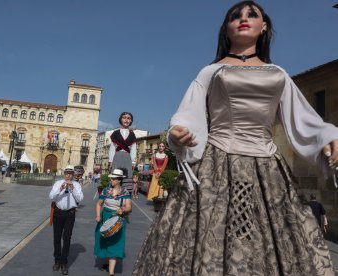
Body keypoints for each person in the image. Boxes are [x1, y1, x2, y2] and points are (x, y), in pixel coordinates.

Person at [133, 2, 337, 275]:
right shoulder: (210, 70)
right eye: (235, 16)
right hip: (215, 164)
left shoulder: (278, 74)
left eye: (252, 14)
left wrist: (327, 137)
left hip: (268, 168)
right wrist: (178, 133)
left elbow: (304, 118)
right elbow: (187, 113)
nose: (243, 18)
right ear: (226, 29)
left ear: (263, 27)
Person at [94, 169, 132, 276]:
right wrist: (97, 215)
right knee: (105, 241)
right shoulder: (105, 191)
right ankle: (107, 262)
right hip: (105, 217)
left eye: (114, 178)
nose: (111, 180)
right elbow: (98, 204)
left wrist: (123, 209)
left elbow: (129, 206)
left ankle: (111, 272)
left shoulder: (125, 192)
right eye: (111, 178)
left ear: (119, 180)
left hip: (118, 219)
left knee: (116, 243)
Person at [49, 165, 84, 275]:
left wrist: (72, 188)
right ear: (64, 174)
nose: (68, 175)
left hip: (70, 214)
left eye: (70, 173)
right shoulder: (58, 183)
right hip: (58, 213)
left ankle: (64, 262)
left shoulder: (77, 185)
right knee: (57, 238)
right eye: (66, 173)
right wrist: (60, 189)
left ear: (73, 174)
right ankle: (57, 261)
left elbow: (80, 199)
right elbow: (51, 197)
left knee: (67, 238)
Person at [109, 112, 137, 195]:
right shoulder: (115, 133)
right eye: (124, 117)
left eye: (128, 118)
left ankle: (125, 194)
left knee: (127, 175)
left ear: (131, 121)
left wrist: (133, 162)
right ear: (121, 119)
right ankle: (114, 193)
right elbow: (112, 148)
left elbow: (133, 149)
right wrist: (110, 161)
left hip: (127, 158)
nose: (126, 120)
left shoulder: (132, 135)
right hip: (117, 157)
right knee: (116, 174)